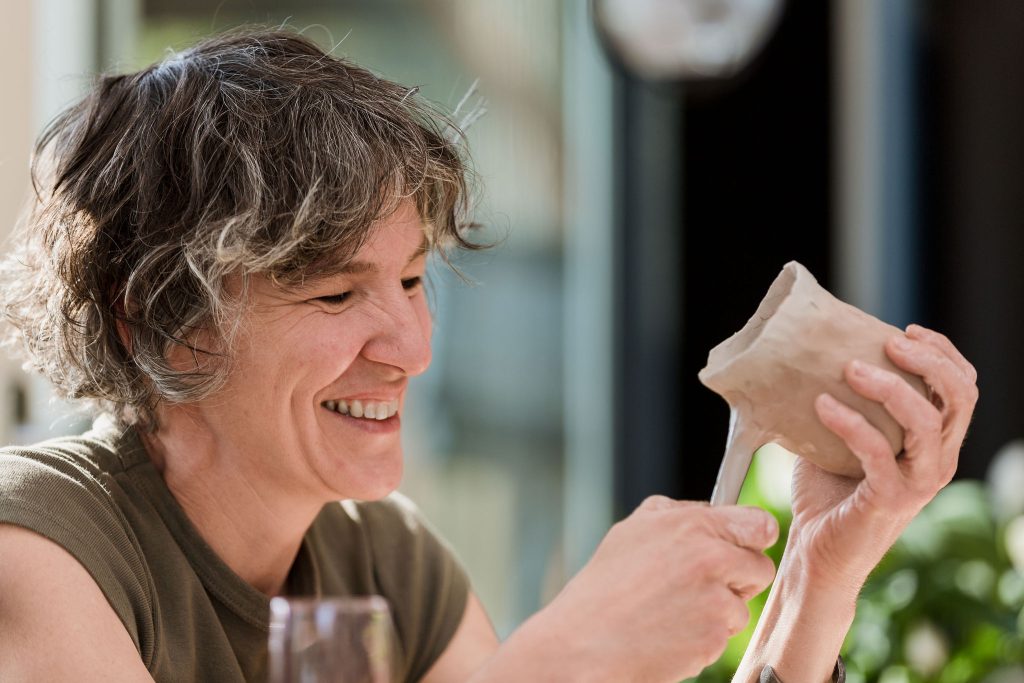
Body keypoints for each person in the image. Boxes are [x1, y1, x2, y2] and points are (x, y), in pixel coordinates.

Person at [0, 28, 977, 683]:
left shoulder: (378, 564)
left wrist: (818, 573)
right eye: (337, 292)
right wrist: (568, 649)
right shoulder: (37, 551)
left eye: (414, 281)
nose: (411, 348)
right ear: (164, 320)